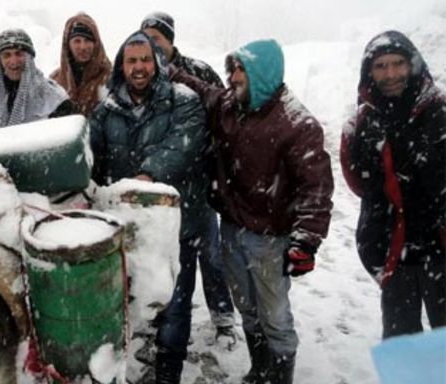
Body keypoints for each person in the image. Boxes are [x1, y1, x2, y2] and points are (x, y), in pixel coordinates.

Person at [173, 39, 334, 384]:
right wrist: (172, 70)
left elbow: (316, 188)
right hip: (233, 227)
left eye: (240, 69)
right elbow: (205, 90)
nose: (232, 77)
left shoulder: (297, 124)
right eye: (231, 69)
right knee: (246, 307)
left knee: (274, 316)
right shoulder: (232, 104)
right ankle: (259, 369)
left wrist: (305, 241)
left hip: (271, 237)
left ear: (263, 71)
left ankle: (279, 376)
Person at [88, 30, 206, 384]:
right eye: (131, 61)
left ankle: (168, 371)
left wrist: (145, 176)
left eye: (145, 60)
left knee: (176, 302)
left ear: (157, 62)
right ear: (121, 66)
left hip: (175, 226)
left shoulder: (184, 100)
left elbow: (181, 146)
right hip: (127, 227)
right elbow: (92, 154)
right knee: (132, 299)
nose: (139, 67)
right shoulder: (106, 108)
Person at [340, 30, 445, 339]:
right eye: (381, 66)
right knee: (402, 344)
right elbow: (357, 182)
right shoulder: (363, 120)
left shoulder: (439, 112)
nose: (391, 74)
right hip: (394, 250)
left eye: (398, 63)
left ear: (413, 64)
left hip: (440, 249)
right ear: (369, 72)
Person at [141, 11, 236, 343]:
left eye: (158, 38)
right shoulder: (141, 72)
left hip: (198, 180)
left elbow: (225, 111)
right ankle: (164, 315)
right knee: (164, 253)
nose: (152, 45)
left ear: (170, 40)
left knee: (210, 253)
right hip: (158, 182)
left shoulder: (197, 71)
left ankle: (223, 315)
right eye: (146, 38)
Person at [0, 28, 75, 136]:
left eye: (19, 54)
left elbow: (67, 141)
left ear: (29, 58)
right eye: (7, 55)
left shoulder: (53, 97)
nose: (13, 61)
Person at [50, 13, 112, 117]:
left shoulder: (110, 78)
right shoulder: (55, 81)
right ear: (68, 45)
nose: (83, 47)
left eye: (87, 40)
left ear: (95, 44)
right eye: (77, 41)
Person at [141, 12, 223, 88]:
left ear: (169, 40)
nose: (148, 43)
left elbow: (225, 101)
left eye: (154, 38)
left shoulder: (199, 71)